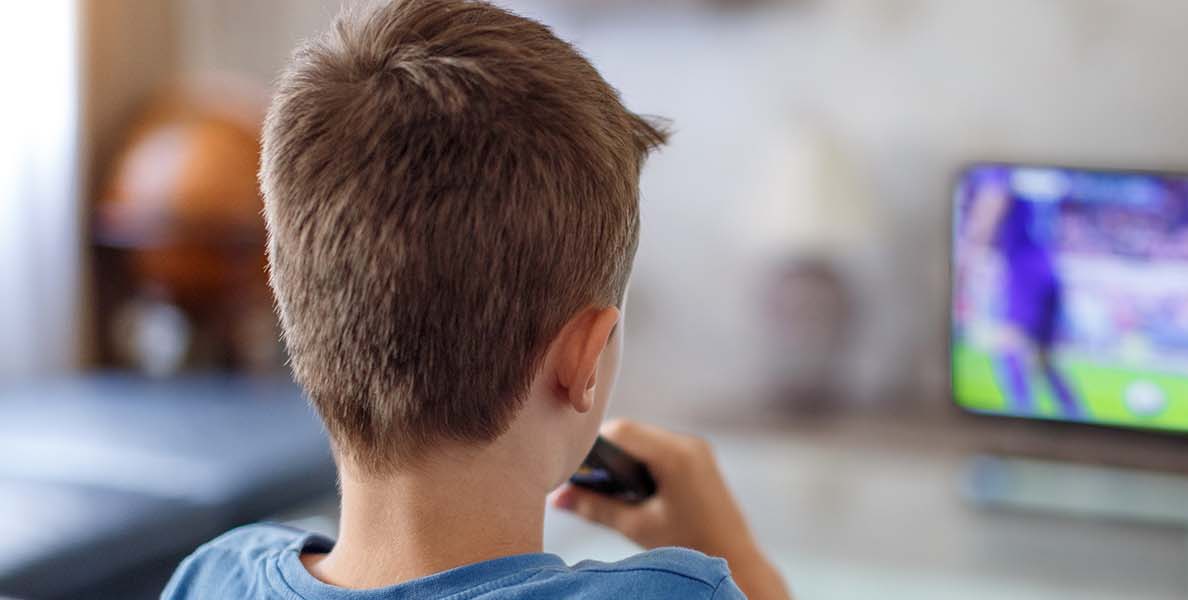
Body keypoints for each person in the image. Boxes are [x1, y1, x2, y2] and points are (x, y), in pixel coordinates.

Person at [160, 1, 790, 599]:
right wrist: (738, 558)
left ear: (294, 302)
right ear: (584, 359)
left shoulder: (212, 577)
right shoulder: (673, 593)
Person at [965, 172, 1082, 419]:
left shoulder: (1003, 173)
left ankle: (1020, 416)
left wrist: (970, 252)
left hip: (1023, 268)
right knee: (1045, 359)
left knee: (1009, 343)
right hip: (1050, 265)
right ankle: (1077, 416)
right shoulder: (1039, 176)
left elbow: (990, 207)